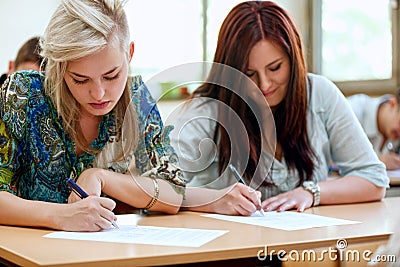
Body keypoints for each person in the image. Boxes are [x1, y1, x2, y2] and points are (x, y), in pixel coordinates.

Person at [170, 1, 389, 213]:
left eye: (275, 68)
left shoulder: (320, 93)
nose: (264, 85)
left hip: (307, 245)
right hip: (234, 248)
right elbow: (155, 189)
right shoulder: (206, 110)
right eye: (248, 74)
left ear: (294, 60)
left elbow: (373, 179)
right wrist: (212, 199)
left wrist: (311, 192)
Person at [347, 90, 400, 170]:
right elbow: (329, 159)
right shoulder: (351, 112)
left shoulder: (394, 130)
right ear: (392, 104)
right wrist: (377, 161)